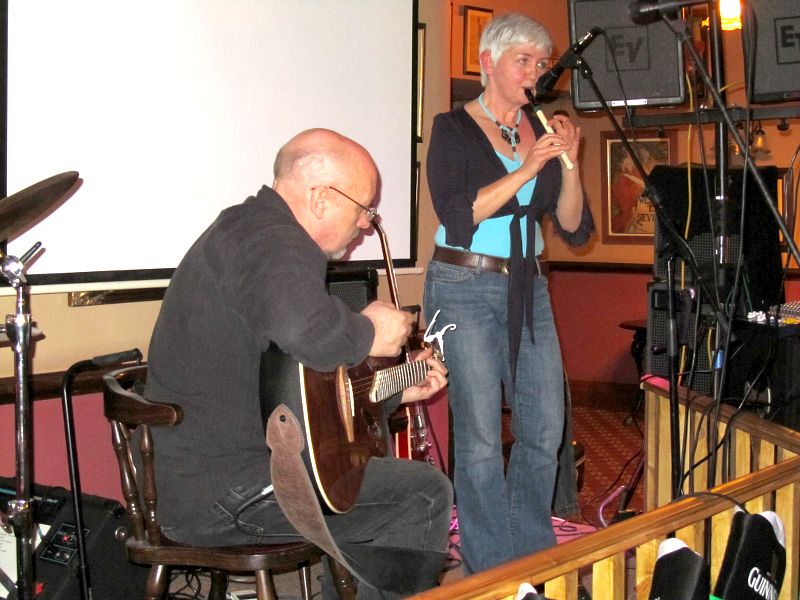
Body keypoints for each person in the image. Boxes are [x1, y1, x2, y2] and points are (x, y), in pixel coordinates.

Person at [145, 128, 453, 599]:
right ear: (323, 197)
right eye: (365, 209)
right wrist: (372, 331)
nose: (367, 225)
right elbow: (311, 333)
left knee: (361, 476)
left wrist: (394, 389)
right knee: (423, 492)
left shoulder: (249, 231)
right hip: (229, 494)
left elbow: (297, 384)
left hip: (214, 483)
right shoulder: (273, 241)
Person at [423, 13, 594, 574]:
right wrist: (525, 168)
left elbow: (572, 224)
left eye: (542, 63)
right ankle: (491, 570)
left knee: (545, 428)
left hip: (528, 284)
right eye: (524, 60)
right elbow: (458, 212)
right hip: (463, 284)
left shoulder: (541, 126)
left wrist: (569, 163)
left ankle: (530, 560)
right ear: (487, 62)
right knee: (476, 439)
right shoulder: (451, 129)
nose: (536, 72)